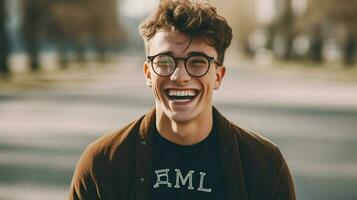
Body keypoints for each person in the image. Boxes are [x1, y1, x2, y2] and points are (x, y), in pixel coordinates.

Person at [69, 0, 296, 199]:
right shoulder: (102, 164)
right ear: (148, 74)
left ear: (218, 76)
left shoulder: (264, 165)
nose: (180, 77)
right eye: (165, 61)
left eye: (197, 61)